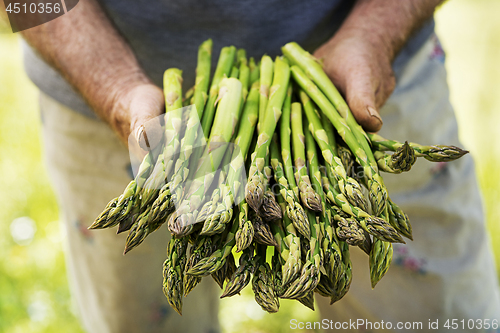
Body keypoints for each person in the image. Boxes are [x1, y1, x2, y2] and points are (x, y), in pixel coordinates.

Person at [20, 0, 500, 332]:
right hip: (104, 86)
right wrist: (114, 85)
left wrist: (374, 34)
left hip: (362, 77)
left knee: (439, 318)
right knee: (137, 322)